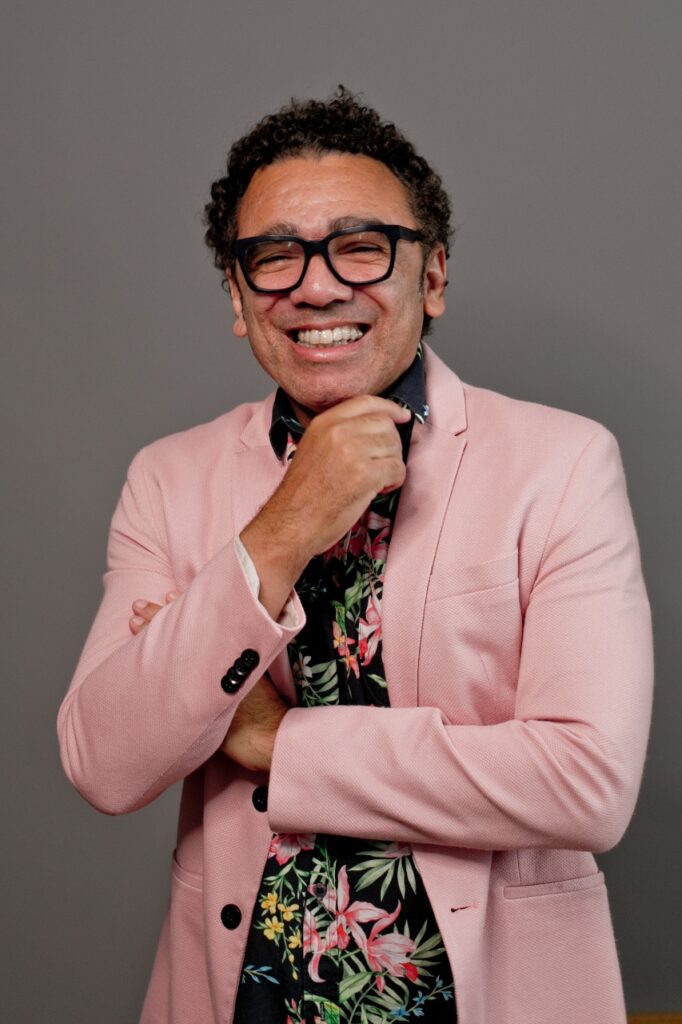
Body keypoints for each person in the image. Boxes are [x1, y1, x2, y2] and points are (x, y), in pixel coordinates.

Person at [57, 87, 654, 1024]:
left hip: (481, 996)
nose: (317, 286)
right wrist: (285, 525)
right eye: (274, 257)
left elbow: (586, 785)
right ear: (237, 296)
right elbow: (104, 761)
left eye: (362, 246)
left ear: (433, 275)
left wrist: (276, 741)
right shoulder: (168, 479)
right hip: (242, 996)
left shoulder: (562, 463)